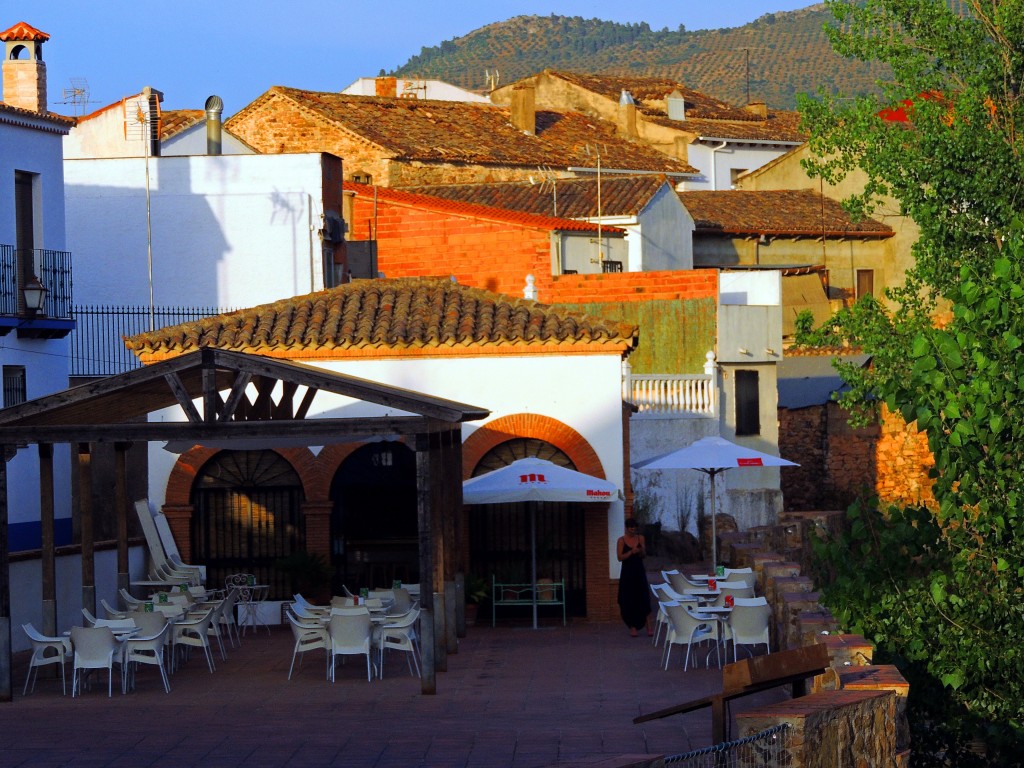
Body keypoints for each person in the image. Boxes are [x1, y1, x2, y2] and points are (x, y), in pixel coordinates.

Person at [616, 517, 653, 637]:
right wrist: (630, 552)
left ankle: (649, 626)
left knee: (644, 597)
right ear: (626, 528)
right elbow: (620, 557)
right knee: (629, 599)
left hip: (639, 572)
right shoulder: (621, 541)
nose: (633, 530)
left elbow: (644, 554)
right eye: (631, 528)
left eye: (634, 528)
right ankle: (633, 627)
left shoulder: (640, 538)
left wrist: (640, 551)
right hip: (627, 573)